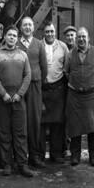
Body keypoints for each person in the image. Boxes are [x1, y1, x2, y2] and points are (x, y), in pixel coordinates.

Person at [0, 24, 33, 177]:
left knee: (20, 133)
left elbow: (28, 75)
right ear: (4, 37)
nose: (12, 38)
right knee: (4, 132)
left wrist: (20, 94)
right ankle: (6, 164)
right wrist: (3, 94)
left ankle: (22, 164)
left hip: (19, 99)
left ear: (17, 38)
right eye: (9, 35)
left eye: (14, 35)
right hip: (3, 100)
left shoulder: (23, 55)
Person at [64, 27, 94, 166]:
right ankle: (75, 156)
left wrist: (93, 81)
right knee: (75, 127)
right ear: (76, 40)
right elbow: (66, 72)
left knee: (92, 127)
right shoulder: (70, 54)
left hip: (91, 96)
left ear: (88, 38)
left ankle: (93, 157)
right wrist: (75, 82)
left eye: (84, 36)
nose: (81, 39)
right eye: (79, 37)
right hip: (75, 96)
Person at [18, 16, 48, 168]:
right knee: (21, 121)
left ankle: (34, 156)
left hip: (35, 86)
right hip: (19, 87)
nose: (28, 28)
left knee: (35, 121)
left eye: (30, 25)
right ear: (21, 28)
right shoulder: (15, 43)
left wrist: (38, 84)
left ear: (33, 27)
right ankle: (21, 157)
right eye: (25, 25)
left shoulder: (38, 44)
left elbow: (44, 67)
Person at [40, 22, 69, 164]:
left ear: (55, 32)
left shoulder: (62, 46)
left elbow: (67, 66)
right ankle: (39, 155)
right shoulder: (39, 45)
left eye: (52, 31)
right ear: (43, 33)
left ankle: (56, 154)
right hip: (42, 89)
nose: (50, 34)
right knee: (41, 124)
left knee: (57, 124)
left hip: (58, 89)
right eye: (47, 32)